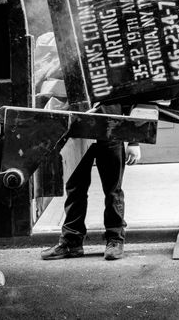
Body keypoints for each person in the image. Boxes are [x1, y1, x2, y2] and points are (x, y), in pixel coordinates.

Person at [41, 103, 141, 261]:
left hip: (110, 130)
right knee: (75, 189)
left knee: (113, 190)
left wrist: (134, 141)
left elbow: (130, 97)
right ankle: (71, 242)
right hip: (77, 132)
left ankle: (115, 240)